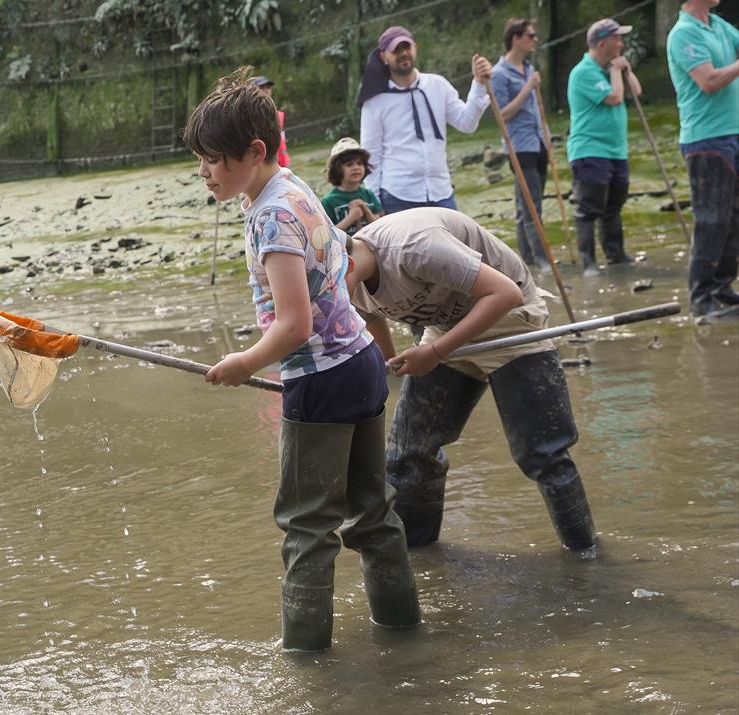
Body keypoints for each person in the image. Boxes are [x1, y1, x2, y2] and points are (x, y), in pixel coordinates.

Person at [187, 67, 420, 652]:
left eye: (214, 159)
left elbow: (295, 324)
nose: (204, 172)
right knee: (373, 515)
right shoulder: (292, 186)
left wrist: (246, 360)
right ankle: (404, 634)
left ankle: (306, 668)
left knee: (307, 529)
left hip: (321, 380)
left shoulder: (271, 214)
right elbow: (334, 266)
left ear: (255, 151)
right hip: (362, 363)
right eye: (200, 159)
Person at [344, 207, 597, 553]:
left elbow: (505, 293)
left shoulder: (414, 248)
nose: (326, 294)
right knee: (408, 455)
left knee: (543, 454)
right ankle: (418, 559)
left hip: (509, 319)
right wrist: (389, 363)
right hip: (446, 326)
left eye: (327, 282)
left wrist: (433, 354)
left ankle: (587, 559)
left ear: (345, 260)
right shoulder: (346, 280)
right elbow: (371, 316)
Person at [358, 26, 493, 214]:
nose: (403, 53)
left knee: (451, 243)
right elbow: (371, 155)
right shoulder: (375, 102)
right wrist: (376, 204)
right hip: (398, 197)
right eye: (396, 50)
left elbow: (467, 123)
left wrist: (478, 83)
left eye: (407, 47)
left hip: (441, 192)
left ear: (416, 48)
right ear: (383, 57)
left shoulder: (437, 85)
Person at [667, 0, 739, 322]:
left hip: (733, 132)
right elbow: (708, 81)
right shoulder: (683, 33)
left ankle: (722, 289)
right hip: (706, 139)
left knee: (734, 218)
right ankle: (701, 298)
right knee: (712, 219)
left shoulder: (718, 25)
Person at [567, 19, 642, 275]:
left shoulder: (613, 69)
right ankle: (589, 263)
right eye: (617, 39)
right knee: (589, 208)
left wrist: (627, 71)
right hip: (590, 149)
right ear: (602, 43)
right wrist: (614, 73)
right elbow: (614, 97)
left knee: (614, 206)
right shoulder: (583, 71)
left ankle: (616, 256)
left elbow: (635, 92)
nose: (621, 44)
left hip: (616, 150)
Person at [492, 18, 552, 273]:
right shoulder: (498, 74)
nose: (535, 39)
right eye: (530, 35)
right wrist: (528, 88)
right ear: (516, 39)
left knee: (524, 203)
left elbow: (537, 109)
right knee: (531, 203)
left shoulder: (529, 68)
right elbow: (502, 114)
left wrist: (547, 134)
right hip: (519, 145)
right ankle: (541, 259)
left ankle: (526, 258)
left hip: (538, 142)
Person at [320, 137, 383, 236]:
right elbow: (327, 235)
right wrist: (350, 218)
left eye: (360, 163)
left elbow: (381, 225)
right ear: (337, 169)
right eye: (349, 164)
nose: (356, 167)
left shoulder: (368, 194)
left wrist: (366, 211)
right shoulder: (329, 201)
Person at [249, 76, 289, 168]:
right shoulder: (251, 116)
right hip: (264, 166)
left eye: (268, 87)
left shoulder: (278, 115)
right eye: (262, 87)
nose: (266, 90)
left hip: (282, 163)